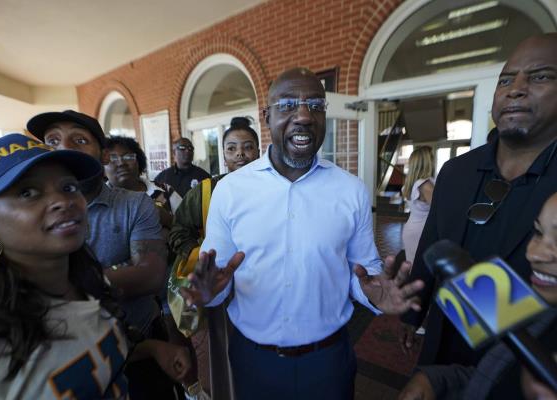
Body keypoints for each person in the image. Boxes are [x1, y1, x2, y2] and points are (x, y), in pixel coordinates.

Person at [179, 68, 424, 399]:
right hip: (254, 360)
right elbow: (220, 278)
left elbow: (361, 272)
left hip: (328, 361)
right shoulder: (231, 191)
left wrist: (372, 295)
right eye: (289, 104)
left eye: (315, 105)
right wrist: (211, 293)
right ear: (266, 117)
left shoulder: (350, 191)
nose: (304, 116)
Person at [0, 134, 191, 399]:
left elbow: (90, 348)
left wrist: (152, 349)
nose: (62, 201)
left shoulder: (91, 285)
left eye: (69, 187)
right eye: (27, 193)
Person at [401, 33, 557, 368]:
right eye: (505, 80)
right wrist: (413, 315)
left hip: (523, 368)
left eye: (540, 76)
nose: (514, 88)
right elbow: (433, 248)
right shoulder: (456, 171)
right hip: (441, 351)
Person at [26, 110, 185, 399]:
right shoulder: (28, 211)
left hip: (141, 343)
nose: (63, 148)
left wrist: (51, 292)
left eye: (79, 139)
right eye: (52, 140)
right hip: (63, 358)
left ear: (103, 156)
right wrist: (117, 272)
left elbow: (149, 276)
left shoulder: (134, 204)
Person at [398, 191, 557, 400]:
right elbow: (495, 378)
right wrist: (435, 382)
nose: (533, 254)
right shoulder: (538, 319)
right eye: (538, 232)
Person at [169, 116, 260, 398]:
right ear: (223, 153)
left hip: (263, 284)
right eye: (232, 148)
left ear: (259, 151)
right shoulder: (206, 191)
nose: (240, 154)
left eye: (247, 147)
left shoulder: (272, 189)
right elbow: (178, 231)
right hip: (221, 288)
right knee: (225, 352)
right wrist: (200, 255)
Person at [104, 135, 182, 231]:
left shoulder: (165, 191)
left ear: (139, 162)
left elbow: (191, 228)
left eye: (128, 157)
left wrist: (168, 219)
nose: (121, 163)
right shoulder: (99, 200)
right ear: (102, 167)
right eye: (112, 158)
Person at [402, 146, 435, 264]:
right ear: (427, 161)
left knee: (414, 268)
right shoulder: (425, 185)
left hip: (414, 228)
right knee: (420, 270)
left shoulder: (414, 182)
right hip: (421, 231)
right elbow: (439, 211)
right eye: (432, 158)